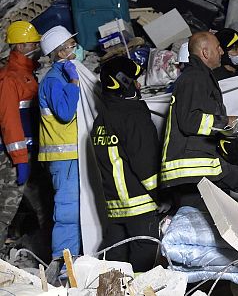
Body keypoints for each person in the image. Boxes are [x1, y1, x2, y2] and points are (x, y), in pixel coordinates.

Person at [159, 32, 238, 219]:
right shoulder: (195, 77)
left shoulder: (199, 76)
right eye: (218, 48)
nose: (222, 51)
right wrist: (226, 122)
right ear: (205, 52)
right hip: (193, 168)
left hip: (201, 166)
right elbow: (189, 121)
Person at [91, 57, 161, 272]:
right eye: (135, 80)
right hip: (141, 206)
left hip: (115, 209)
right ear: (123, 82)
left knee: (115, 268)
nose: (139, 85)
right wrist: (163, 196)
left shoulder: (101, 120)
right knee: (142, 268)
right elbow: (146, 164)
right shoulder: (133, 116)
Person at [37, 25, 82, 259]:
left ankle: (73, 261)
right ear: (61, 52)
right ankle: (64, 266)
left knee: (75, 210)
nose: (76, 49)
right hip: (62, 158)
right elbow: (64, 113)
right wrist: (74, 83)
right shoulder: (54, 80)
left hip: (70, 156)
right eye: (72, 46)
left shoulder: (61, 76)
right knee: (67, 212)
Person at [0, 21, 41, 247]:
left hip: (32, 153)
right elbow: (10, 122)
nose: (37, 45)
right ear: (22, 45)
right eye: (34, 42)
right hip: (13, 158)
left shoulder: (27, 74)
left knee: (43, 207)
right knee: (4, 212)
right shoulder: (9, 79)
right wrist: (20, 160)